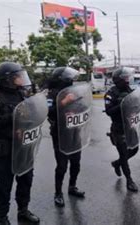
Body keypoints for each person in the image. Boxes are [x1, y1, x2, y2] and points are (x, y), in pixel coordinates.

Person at [0, 62, 40, 225]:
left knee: (26, 180)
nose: (21, 78)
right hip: (5, 148)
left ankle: (23, 210)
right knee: (4, 184)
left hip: (24, 146)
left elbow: (30, 115)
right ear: (8, 79)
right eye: (18, 76)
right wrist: (8, 118)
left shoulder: (22, 94)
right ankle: (2, 217)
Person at [46, 67, 86, 208]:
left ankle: (72, 187)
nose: (71, 81)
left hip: (74, 131)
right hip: (60, 133)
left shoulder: (72, 92)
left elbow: (82, 107)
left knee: (76, 163)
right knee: (62, 165)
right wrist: (64, 102)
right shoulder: (52, 94)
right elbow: (48, 111)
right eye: (68, 78)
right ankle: (58, 193)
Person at [105, 67, 140, 192]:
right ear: (118, 80)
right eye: (124, 78)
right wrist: (122, 104)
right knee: (124, 154)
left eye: (127, 77)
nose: (127, 80)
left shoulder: (129, 90)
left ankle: (117, 163)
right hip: (118, 127)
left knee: (135, 149)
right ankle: (129, 180)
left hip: (130, 125)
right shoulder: (111, 93)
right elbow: (109, 111)